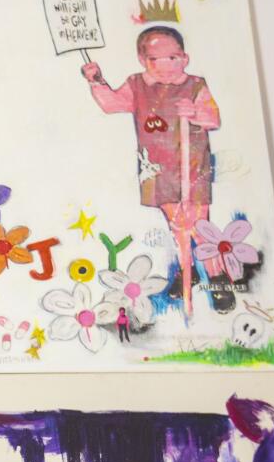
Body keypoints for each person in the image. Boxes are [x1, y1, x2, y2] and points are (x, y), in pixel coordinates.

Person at [82, 25, 220, 315]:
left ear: (185, 57)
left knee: (198, 225)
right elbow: (112, 104)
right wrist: (96, 81)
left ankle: (217, 277)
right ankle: (187, 269)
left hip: (191, 167)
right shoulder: (138, 85)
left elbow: (213, 118)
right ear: (143, 60)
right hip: (157, 168)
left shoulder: (194, 85)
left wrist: (195, 113)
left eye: (173, 57)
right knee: (176, 222)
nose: (166, 66)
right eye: (155, 59)